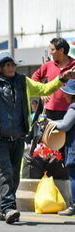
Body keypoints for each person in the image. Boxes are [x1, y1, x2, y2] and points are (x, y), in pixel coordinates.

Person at [0, 52, 75, 223]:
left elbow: (44, 89)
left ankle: (1, 207)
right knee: (6, 172)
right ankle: (9, 208)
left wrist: (62, 78)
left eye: (13, 65)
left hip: (18, 135)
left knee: (14, 175)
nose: (11, 68)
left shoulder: (23, 82)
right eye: (7, 65)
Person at [31, 37, 75, 121]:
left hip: (71, 110)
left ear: (61, 50)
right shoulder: (48, 65)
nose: (50, 53)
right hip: (50, 111)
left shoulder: (74, 65)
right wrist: (42, 93)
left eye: (52, 49)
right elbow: (34, 78)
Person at [51, 79, 75, 215]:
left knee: (73, 176)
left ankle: (73, 206)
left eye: (66, 93)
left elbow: (65, 125)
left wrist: (51, 123)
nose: (64, 95)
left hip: (74, 148)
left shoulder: (73, 107)